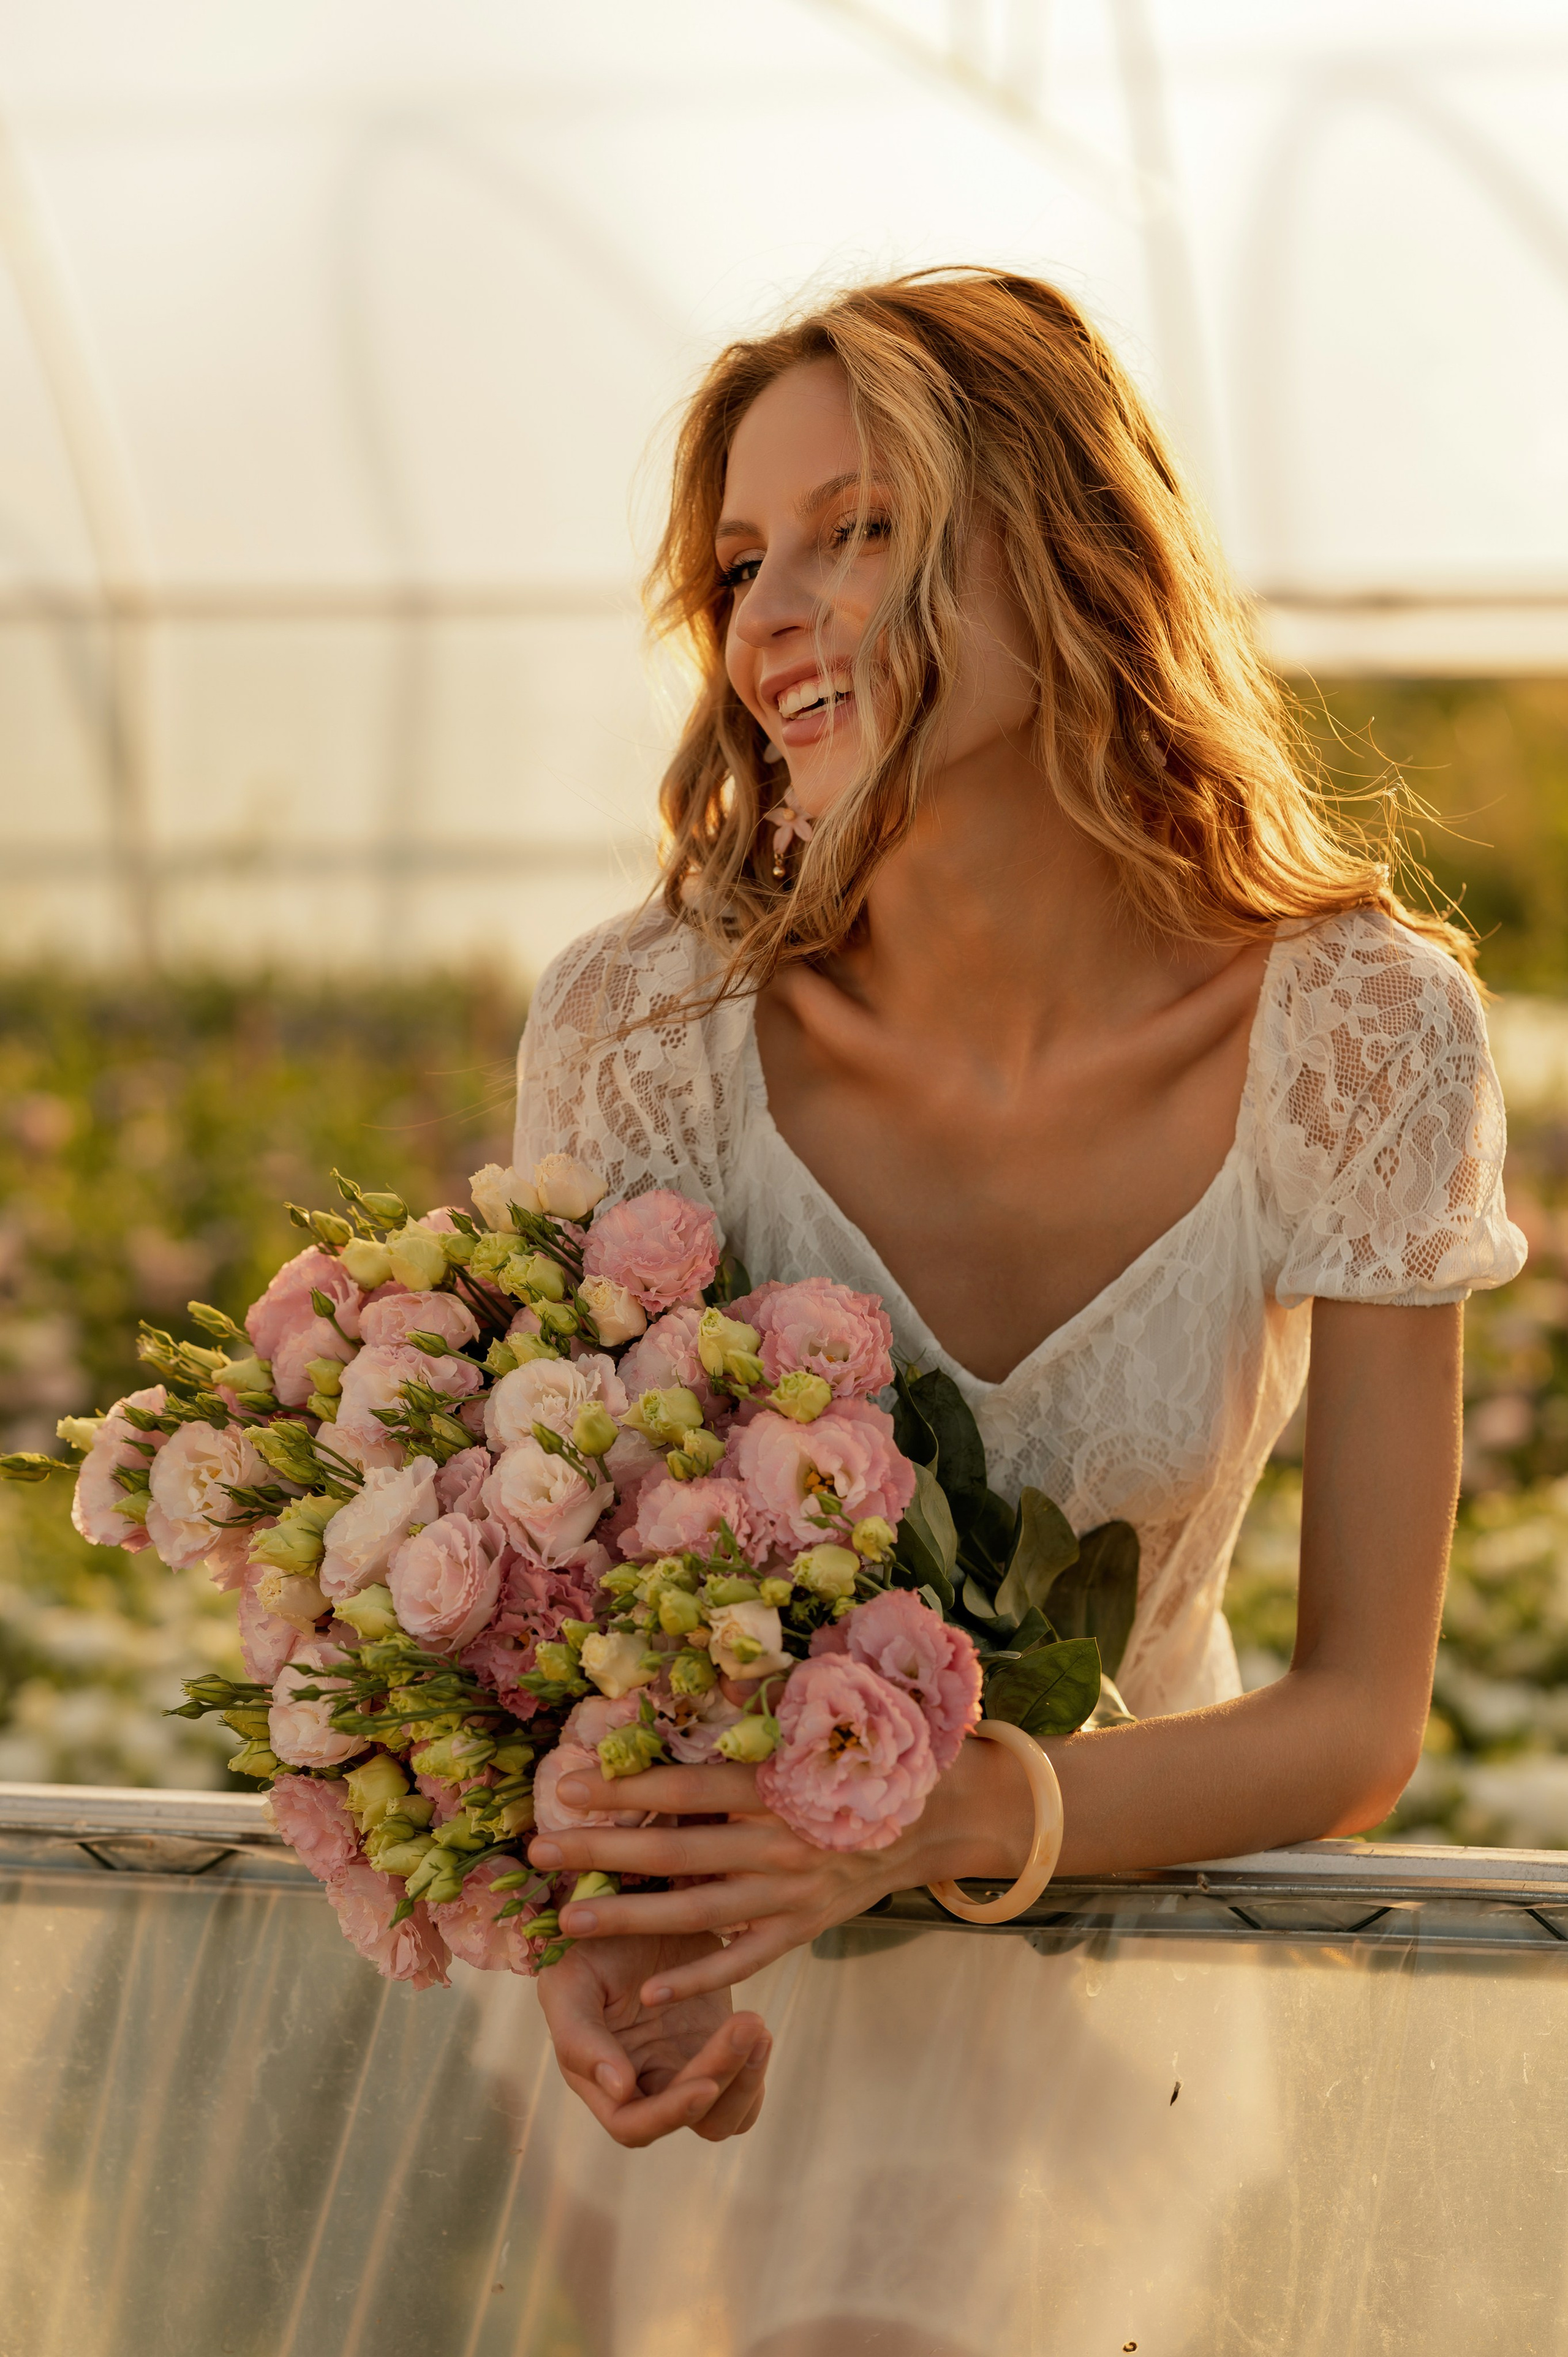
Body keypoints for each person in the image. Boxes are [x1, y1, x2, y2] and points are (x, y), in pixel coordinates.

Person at [510, 268, 1525, 2153]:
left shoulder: (1361, 1028)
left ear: (1068, 557)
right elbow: (567, 1605)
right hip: (730, 2009)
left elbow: (1360, 1723)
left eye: (859, 531)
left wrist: (945, 1815)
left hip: (1130, 2026)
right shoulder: (638, 1028)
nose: (771, 617)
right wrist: (588, 1934)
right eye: (741, 563)